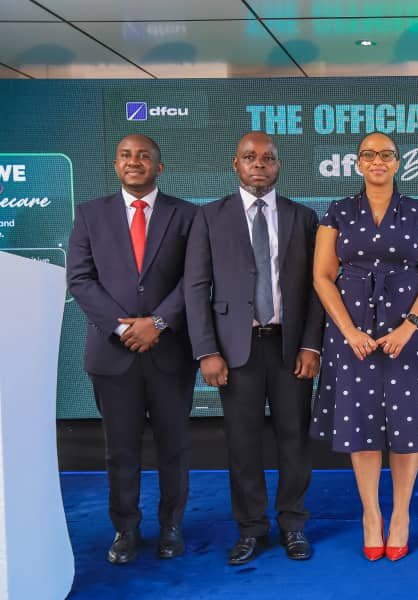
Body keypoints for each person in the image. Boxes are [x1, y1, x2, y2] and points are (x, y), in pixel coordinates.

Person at [310, 132, 418, 561]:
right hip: (352, 334)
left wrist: (409, 326)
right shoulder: (337, 212)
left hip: (410, 333)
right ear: (358, 163)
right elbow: (322, 276)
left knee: (408, 425)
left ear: (397, 163)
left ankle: (401, 515)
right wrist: (349, 331)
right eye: (369, 154)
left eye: (386, 154)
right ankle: (371, 515)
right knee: (360, 424)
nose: (378, 161)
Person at [184, 132, 324, 565]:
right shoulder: (209, 217)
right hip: (234, 352)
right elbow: (196, 287)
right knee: (242, 443)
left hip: (289, 348)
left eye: (267, 158)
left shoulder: (304, 217)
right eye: (249, 157)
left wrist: (311, 345)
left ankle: (293, 524)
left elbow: (318, 288)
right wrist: (206, 350)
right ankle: (250, 529)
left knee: (294, 439)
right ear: (236, 164)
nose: (258, 164)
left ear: (278, 165)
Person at [67, 134, 197, 564]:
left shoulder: (187, 215)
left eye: (144, 155)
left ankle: (171, 526)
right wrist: (122, 326)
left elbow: (195, 279)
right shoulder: (90, 214)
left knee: (174, 447)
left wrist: (156, 323)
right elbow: (80, 278)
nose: (134, 161)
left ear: (160, 167)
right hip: (113, 354)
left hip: (169, 353)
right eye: (125, 155)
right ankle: (125, 529)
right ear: (116, 164)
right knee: (120, 450)